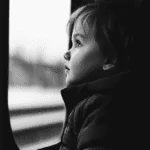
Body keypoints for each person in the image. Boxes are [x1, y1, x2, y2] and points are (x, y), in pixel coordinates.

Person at [58, 1, 142, 150]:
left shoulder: (102, 109)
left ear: (109, 61)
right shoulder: (96, 103)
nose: (67, 53)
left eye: (78, 43)